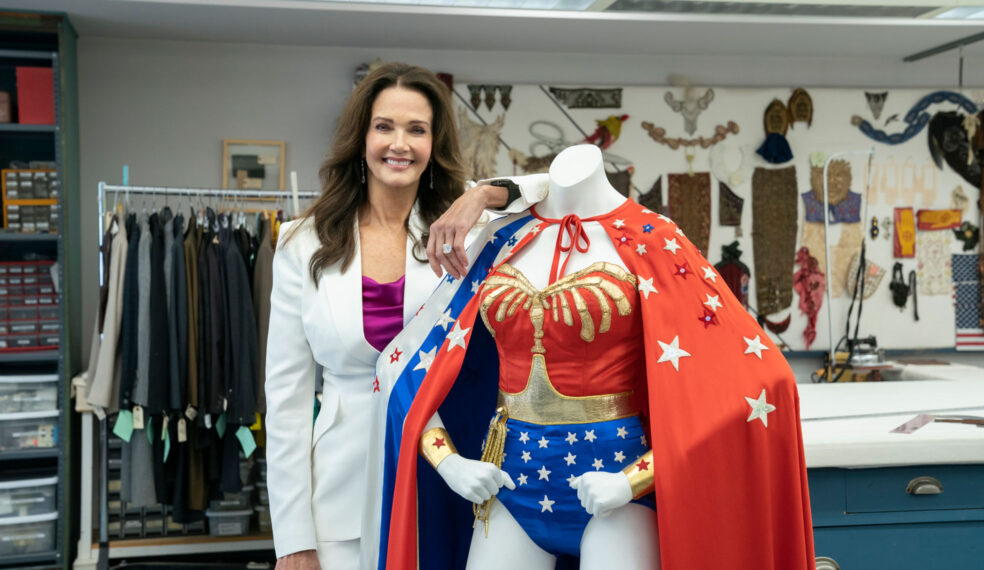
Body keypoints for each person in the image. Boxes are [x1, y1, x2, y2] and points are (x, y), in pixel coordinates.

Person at [375, 144, 815, 569]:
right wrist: (448, 462)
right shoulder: (501, 239)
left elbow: (755, 383)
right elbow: (410, 370)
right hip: (510, 486)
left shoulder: (654, 239)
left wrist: (635, 479)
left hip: (616, 493)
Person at [264, 62, 546, 570]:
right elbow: (285, 400)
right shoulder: (300, 242)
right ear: (361, 137)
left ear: (433, 144)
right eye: (384, 126)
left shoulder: (471, 233)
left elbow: (560, 191)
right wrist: (292, 538)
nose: (400, 143)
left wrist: (481, 193)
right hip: (339, 499)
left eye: (417, 129)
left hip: (446, 480)